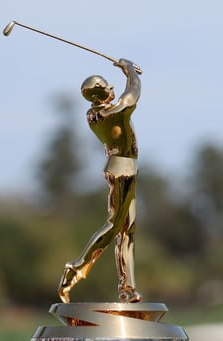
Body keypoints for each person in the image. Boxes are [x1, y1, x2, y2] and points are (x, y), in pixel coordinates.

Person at [58, 58, 143, 303]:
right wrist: (128, 70)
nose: (112, 89)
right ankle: (76, 267)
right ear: (100, 94)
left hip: (125, 168)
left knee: (127, 230)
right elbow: (133, 93)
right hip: (122, 170)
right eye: (107, 86)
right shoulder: (110, 113)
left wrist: (128, 72)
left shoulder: (94, 114)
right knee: (115, 225)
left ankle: (127, 288)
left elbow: (127, 94)